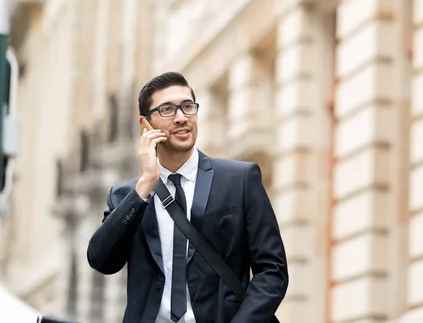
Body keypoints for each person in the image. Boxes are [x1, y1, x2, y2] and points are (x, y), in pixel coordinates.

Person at [87, 72, 288, 323]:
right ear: (146, 124)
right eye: (168, 109)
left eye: (188, 107)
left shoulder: (240, 180)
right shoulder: (127, 196)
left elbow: (272, 271)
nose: (182, 118)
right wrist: (145, 184)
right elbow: (101, 260)